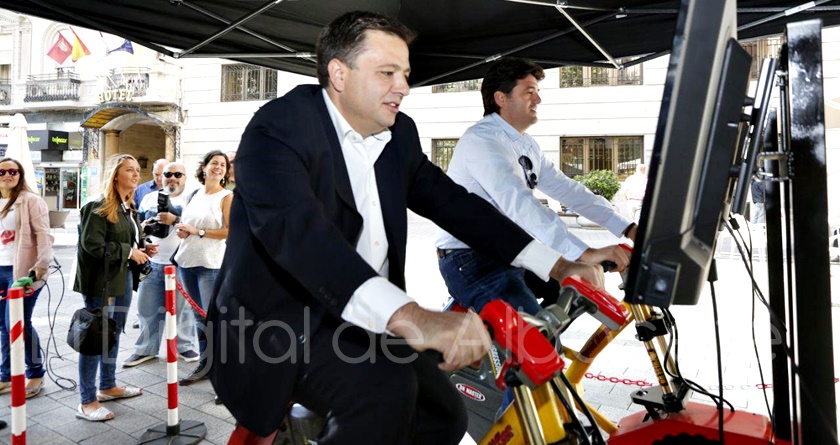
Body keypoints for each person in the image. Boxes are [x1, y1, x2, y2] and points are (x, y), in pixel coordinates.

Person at [208, 11, 604, 443]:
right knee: (382, 395)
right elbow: (302, 238)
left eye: (406, 74)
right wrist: (414, 317)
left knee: (444, 415)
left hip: (368, 317)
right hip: (280, 323)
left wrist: (557, 264)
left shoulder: (400, 134)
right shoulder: (278, 129)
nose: (403, 86)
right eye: (387, 72)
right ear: (339, 74)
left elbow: (456, 205)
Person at [436, 57, 634, 316]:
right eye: (529, 92)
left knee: (576, 296)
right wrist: (582, 253)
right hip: (470, 257)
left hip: (512, 249)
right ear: (501, 98)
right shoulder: (481, 140)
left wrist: (627, 228)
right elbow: (520, 204)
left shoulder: (526, 144)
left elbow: (567, 189)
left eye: (537, 92)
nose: (538, 99)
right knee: (534, 335)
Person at [74, 154, 155, 421]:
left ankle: (107, 385)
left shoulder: (127, 207)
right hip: (101, 283)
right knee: (96, 338)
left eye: (137, 170)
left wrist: (143, 249)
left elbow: (127, 240)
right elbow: (91, 244)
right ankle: (87, 401)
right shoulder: (97, 205)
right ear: (115, 175)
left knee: (114, 333)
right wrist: (129, 252)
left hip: (122, 278)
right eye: (129, 170)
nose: (136, 174)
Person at [122, 162, 199, 367]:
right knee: (146, 309)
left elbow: (198, 227)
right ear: (161, 177)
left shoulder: (193, 198)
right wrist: (144, 229)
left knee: (183, 311)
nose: (172, 178)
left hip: (181, 264)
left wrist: (175, 219)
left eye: (178, 174)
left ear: (185, 177)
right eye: (168, 174)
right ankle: (145, 349)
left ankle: (185, 346)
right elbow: (138, 226)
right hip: (153, 263)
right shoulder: (149, 198)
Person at [173, 150, 232, 385]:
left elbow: (230, 231)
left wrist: (198, 231)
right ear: (204, 167)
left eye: (223, 165)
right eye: (214, 163)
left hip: (210, 265)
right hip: (187, 262)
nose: (218, 167)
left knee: (214, 320)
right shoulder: (194, 194)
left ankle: (224, 376)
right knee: (200, 318)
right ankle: (205, 365)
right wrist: (182, 230)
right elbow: (186, 224)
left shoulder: (226, 197)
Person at [0, 158, 53, 399]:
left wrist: (41, 265)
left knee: (19, 323)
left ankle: (35, 372)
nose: (8, 175)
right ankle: (6, 375)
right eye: (2, 172)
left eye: (13, 171)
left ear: (20, 175)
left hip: (22, 272)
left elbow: (44, 235)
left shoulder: (30, 201)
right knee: (3, 325)